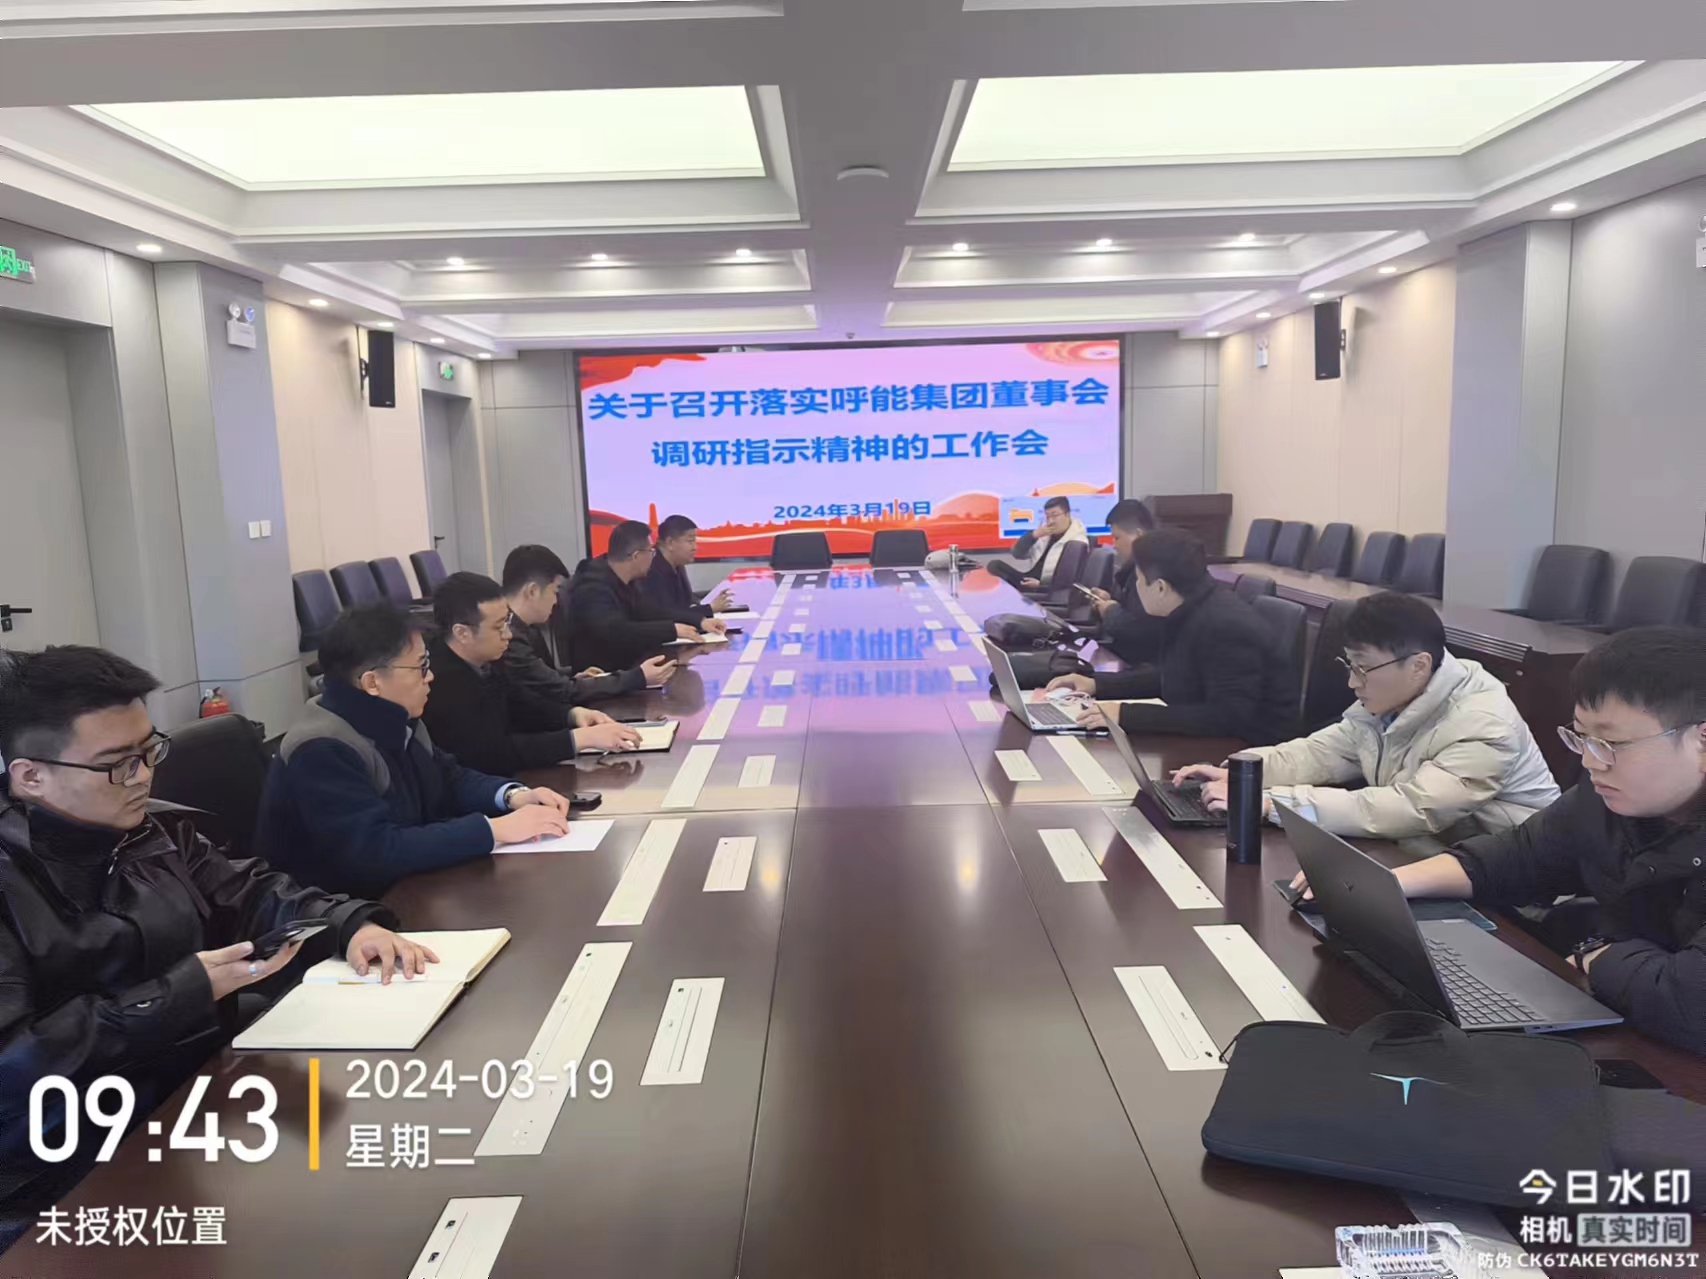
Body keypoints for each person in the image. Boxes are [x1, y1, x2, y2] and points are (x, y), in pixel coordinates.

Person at [0, 646, 432, 1237]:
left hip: (192, 1098)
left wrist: (351, 924)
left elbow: (250, 893)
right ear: (30, 776)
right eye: (117, 765)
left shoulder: (149, 829)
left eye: (149, 751)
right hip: (63, 1166)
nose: (143, 776)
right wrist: (182, 992)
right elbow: (14, 1061)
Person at [1292, 626, 1706, 1055]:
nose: (1589, 761)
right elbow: (1517, 856)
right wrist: (1386, 884)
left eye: (1610, 742)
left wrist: (1596, 954)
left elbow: (1692, 1004)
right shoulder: (1608, 799)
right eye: (1583, 737)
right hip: (1635, 1026)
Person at [1173, 592, 1559, 848]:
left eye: (1363, 668)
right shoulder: (1394, 696)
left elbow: (1411, 807)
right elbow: (1321, 752)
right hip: (1432, 857)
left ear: (1418, 665)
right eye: (1350, 666)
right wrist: (1244, 773)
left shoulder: (1483, 723)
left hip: (1514, 896)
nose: (1352, 682)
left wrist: (1271, 803)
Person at [255, 605, 574, 899]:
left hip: (413, 889)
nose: (430, 676)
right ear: (372, 682)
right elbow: (375, 851)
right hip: (344, 916)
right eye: (421, 666)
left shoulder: (397, 718)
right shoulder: (320, 748)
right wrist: (494, 829)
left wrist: (512, 796)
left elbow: (450, 779)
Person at [1048, 527, 1298, 745]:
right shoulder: (1190, 608)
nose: (1136, 587)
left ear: (1160, 587)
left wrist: (1124, 715)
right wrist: (1097, 685)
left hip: (1249, 752)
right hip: (1211, 743)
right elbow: (1172, 675)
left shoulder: (1224, 626)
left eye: (1138, 580)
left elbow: (1226, 716)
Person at [422, 573, 643, 776]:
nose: (508, 635)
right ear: (462, 633)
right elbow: (492, 754)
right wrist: (577, 739)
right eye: (498, 627)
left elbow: (523, 704)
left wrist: (572, 715)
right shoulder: (438, 682)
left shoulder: (488, 657)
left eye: (507, 622)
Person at [500, 544, 674, 713]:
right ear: (532, 591)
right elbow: (564, 692)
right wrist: (638, 677)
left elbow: (541, 682)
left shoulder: (524, 629)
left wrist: (572, 679)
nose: (556, 601)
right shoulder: (509, 637)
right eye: (555, 591)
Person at [566, 520, 716, 673]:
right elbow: (617, 630)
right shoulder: (592, 587)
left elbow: (651, 611)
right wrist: (671, 630)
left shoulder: (628, 580)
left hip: (628, 665)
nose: (653, 557)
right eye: (651, 551)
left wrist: (698, 620)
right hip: (603, 674)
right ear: (636, 556)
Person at [1082, 498, 1163, 665]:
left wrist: (1110, 611)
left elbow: (1142, 630)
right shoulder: (1134, 569)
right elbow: (1132, 611)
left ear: (1138, 536)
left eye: (1117, 538)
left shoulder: (1154, 573)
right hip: (1124, 655)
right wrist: (1108, 601)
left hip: (1138, 665)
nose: (1114, 545)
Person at [639, 514, 735, 623]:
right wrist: (709, 609)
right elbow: (666, 615)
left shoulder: (678, 564)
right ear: (670, 543)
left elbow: (687, 603)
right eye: (690, 541)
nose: (695, 547)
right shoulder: (650, 569)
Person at [986, 496, 1089, 589]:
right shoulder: (1044, 534)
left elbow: (1070, 580)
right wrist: (1033, 535)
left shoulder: (1077, 542)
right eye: (1047, 517)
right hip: (1028, 580)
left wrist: (1041, 585)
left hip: (1048, 588)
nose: (1051, 521)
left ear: (1067, 514)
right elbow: (1017, 554)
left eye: (1055, 516)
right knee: (995, 565)